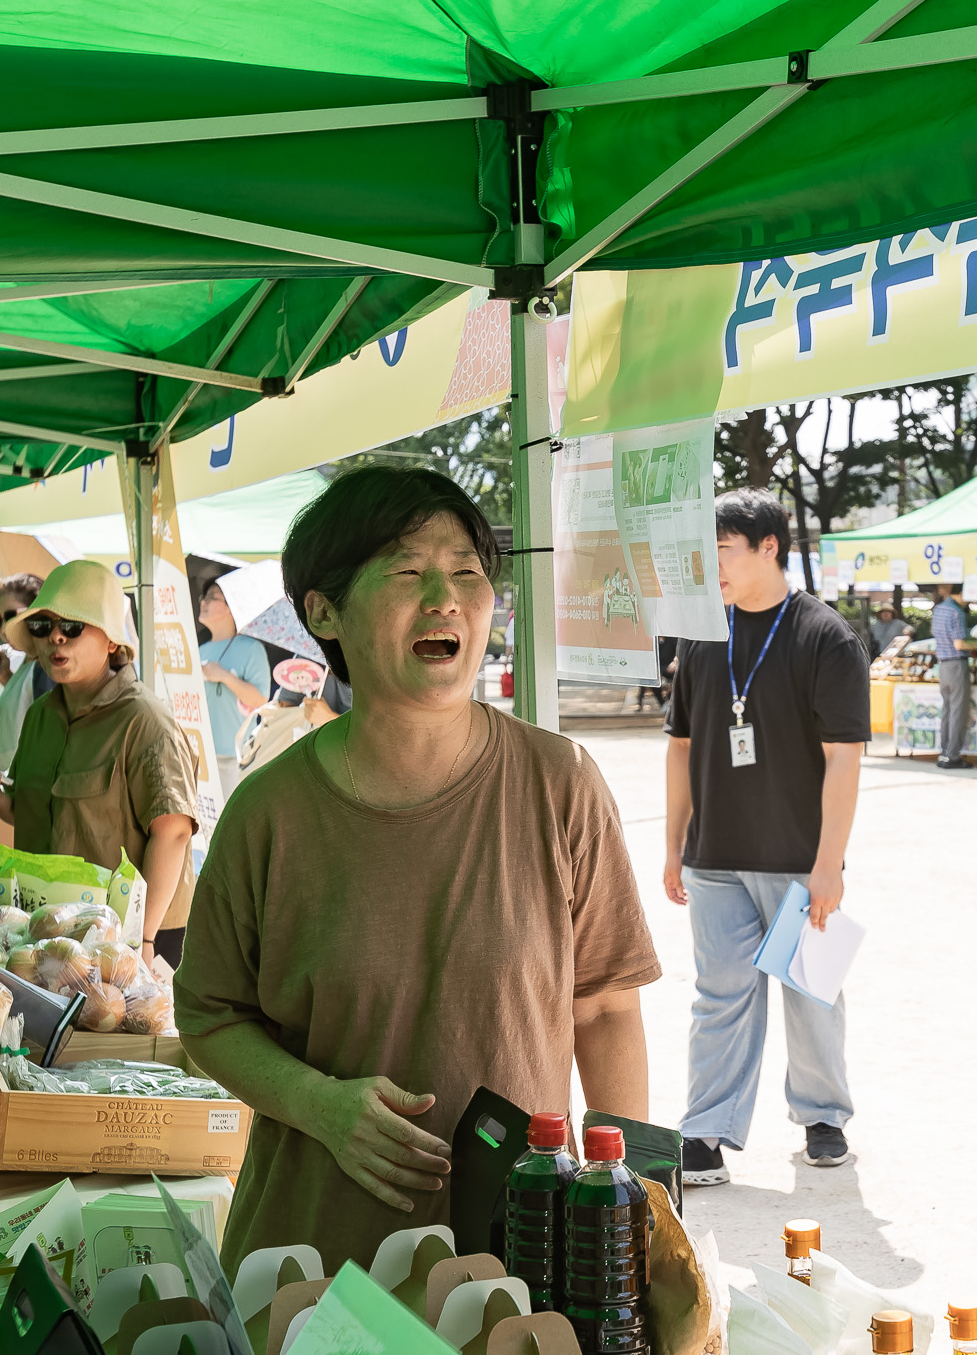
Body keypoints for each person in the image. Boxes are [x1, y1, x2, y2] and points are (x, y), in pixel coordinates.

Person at [175, 467, 659, 1275]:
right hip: (308, 1265)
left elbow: (606, 1007)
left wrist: (633, 1204)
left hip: (515, 1263)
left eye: (467, 572)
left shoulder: (559, 783)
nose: (446, 596)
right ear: (323, 609)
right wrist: (319, 1106)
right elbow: (210, 1016)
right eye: (407, 571)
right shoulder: (268, 813)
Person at [663, 490, 871, 1186]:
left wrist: (828, 864)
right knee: (718, 995)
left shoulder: (825, 637)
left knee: (811, 992)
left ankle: (823, 1116)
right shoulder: (700, 633)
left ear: (768, 547)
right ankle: (706, 1130)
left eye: (721, 549)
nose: (710, 564)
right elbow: (680, 745)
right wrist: (673, 844)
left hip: (796, 857)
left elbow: (845, 755)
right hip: (715, 857)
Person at [0, 562, 201, 965]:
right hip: (55, 929)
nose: (55, 637)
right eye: (43, 627)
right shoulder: (40, 716)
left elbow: (172, 833)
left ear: (110, 642)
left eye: (72, 626)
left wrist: (143, 941)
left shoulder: (144, 720)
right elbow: (33, 811)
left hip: (131, 938)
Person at [198, 582, 273, 799]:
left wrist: (224, 676)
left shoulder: (251, 649)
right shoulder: (200, 650)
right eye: (204, 597)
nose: (204, 602)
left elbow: (260, 699)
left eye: (213, 597)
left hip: (235, 759)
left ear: (231, 606)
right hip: (200, 758)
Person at [0, 573, 50, 773]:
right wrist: (4, 676)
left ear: (37, 613)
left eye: (12, 616)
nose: (3, 628)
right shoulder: (26, 661)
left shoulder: (47, 667)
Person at [929, 583, 977, 768]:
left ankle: (944, 751)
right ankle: (952, 755)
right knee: (958, 711)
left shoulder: (939, 609)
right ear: (962, 593)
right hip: (957, 664)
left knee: (947, 710)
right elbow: (959, 644)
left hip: (943, 665)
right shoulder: (956, 612)